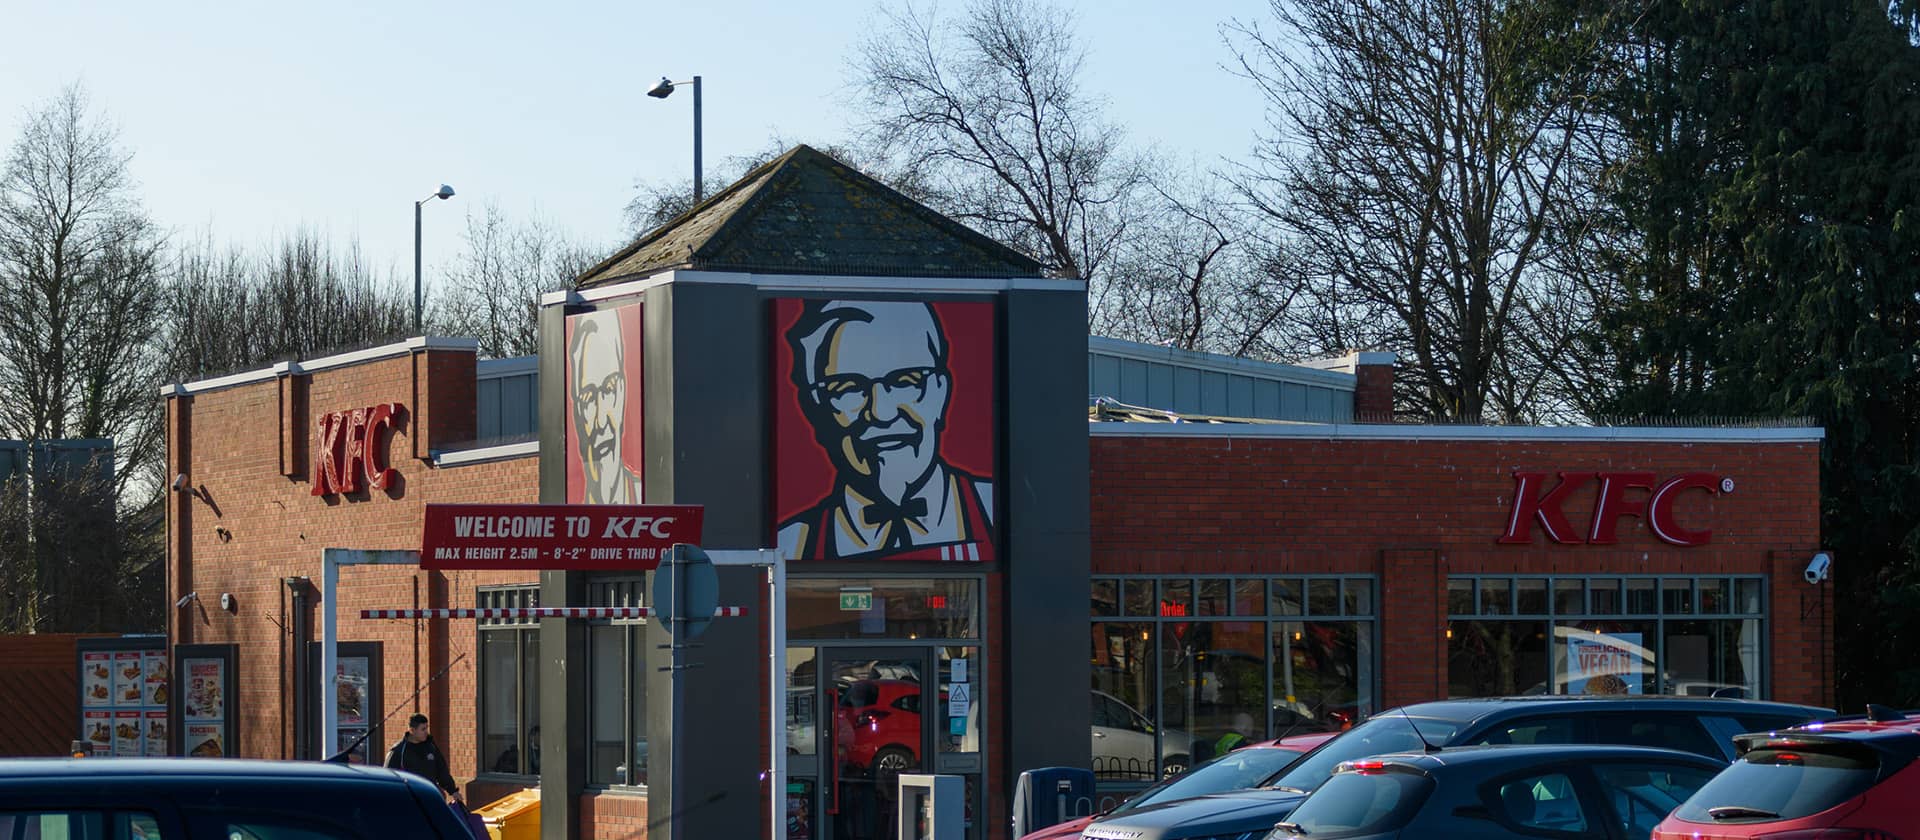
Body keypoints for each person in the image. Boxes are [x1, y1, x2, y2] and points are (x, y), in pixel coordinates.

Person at [777, 300, 994, 562]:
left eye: (905, 381)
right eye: (847, 388)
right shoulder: (791, 544)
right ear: (815, 408)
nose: (881, 413)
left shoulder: (998, 513)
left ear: (941, 392)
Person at [569, 309, 642, 504]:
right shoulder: (571, 526)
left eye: (609, 389)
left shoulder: (646, 500)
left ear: (623, 391)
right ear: (577, 412)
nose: (601, 422)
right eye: (588, 397)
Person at [386, 713, 462, 805]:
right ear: (412, 730)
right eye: (423, 729)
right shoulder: (399, 751)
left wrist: (453, 791)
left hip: (431, 796)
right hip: (409, 800)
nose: (426, 732)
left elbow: (442, 771)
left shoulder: (430, 747)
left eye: (427, 728)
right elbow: (388, 777)